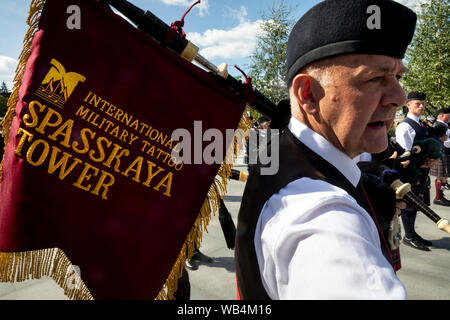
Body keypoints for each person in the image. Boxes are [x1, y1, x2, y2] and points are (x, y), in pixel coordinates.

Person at [235, 0, 416, 299]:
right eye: (374, 79)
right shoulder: (322, 220)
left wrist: (365, 196)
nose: (399, 96)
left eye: (398, 77)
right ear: (308, 94)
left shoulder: (286, 150)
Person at [395, 91, 434, 251]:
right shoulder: (405, 126)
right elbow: (405, 154)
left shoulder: (421, 124)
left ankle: (412, 233)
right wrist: (421, 164)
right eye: (417, 103)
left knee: (418, 203)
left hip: (421, 170)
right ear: (408, 105)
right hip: (411, 172)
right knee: (410, 203)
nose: (421, 106)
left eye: (423, 103)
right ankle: (409, 236)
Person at [430, 108, 450, 206]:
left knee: (443, 177)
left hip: (443, 152)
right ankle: (438, 198)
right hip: (441, 153)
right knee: (441, 176)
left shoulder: (442, 125)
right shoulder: (437, 125)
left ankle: (440, 196)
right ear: (441, 115)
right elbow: (441, 140)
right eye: (448, 115)